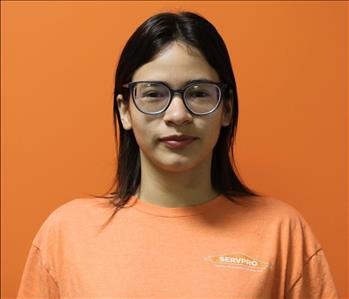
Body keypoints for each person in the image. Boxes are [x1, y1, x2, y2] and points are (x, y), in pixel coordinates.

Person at [17, 11, 339, 299]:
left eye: (198, 93)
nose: (177, 114)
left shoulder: (281, 231)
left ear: (226, 107)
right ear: (125, 110)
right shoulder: (67, 232)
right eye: (154, 94)